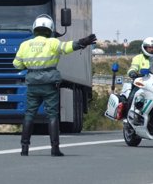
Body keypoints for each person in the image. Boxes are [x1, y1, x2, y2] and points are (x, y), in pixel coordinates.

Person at [13, 14, 96, 157]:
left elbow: (17, 65)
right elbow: (67, 47)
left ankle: (24, 148)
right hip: (49, 84)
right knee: (52, 115)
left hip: (33, 84)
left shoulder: (25, 45)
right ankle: (54, 148)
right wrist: (83, 42)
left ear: (35, 29)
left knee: (29, 114)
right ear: (50, 29)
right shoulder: (52, 42)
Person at [126, 37, 153, 111]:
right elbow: (133, 67)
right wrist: (132, 72)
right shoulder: (138, 58)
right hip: (142, 83)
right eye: (149, 47)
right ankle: (128, 113)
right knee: (132, 96)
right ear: (144, 48)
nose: (151, 49)